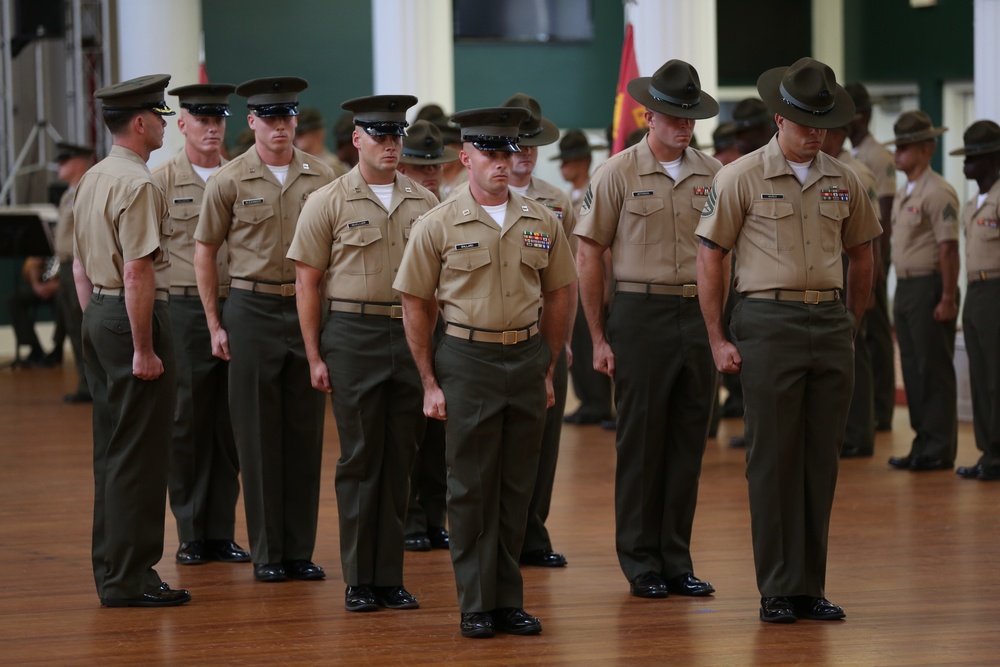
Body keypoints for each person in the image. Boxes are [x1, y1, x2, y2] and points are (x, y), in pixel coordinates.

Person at [696, 57, 880, 623]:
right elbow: (710, 258)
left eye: (823, 124)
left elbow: (862, 254)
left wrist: (850, 321)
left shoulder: (845, 179)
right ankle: (777, 587)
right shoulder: (739, 177)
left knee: (820, 460)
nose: (816, 134)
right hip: (767, 322)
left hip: (828, 322)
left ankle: (810, 586)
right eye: (805, 124)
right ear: (780, 119)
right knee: (773, 459)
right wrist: (718, 337)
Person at [394, 106, 576, 639]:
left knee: (517, 486)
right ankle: (477, 602)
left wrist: (546, 364)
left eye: (510, 151)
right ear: (466, 157)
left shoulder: (541, 218)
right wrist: (428, 380)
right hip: (467, 359)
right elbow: (415, 303)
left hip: (524, 357)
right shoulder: (438, 223)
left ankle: (508, 600)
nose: (504, 161)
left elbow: (558, 292)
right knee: (471, 487)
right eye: (491, 153)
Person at [575, 59, 719, 601]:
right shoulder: (616, 172)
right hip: (639, 312)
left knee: (687, 440)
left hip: (698, 317)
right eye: (674, 117)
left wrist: (720, 328)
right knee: (640, 443)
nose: (684, 127)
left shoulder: (714, 174)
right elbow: (589, 254)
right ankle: (640, 562)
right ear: (649, 115)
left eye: (691, 117)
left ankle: (676, 558)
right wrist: (599, 335)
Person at [289, 94, 437, 612]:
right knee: (360, 460)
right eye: (379, 135)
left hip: (411, 336)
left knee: (400, 461)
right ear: (356, 140)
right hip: (352, 336)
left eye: (397, 135)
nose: (391, 144)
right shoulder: (326, 201)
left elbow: (438, 286)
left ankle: (388, 576)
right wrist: (314, 354)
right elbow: (307, 284)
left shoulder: (425, 202)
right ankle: (359, 579)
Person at [195, 76, 336, 583]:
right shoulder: (228, 180)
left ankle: (299, 550)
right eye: (269, 118)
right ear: (252, 121)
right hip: (251, 310)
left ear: (296, 120)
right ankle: (269, 553)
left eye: (288, 117)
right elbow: (206, 252)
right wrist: (215, 322)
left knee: (304, 433)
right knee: (255, 435)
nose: (280, 127)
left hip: (305, 311)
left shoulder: (324, 177)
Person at [72, 73, 189, 607]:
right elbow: (139, 272)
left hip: (99, 311)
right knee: (139, 455)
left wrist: (98, 317)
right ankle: (132, 578)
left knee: (113, 452)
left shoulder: (93, 177)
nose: (164, 124)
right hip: (130, 317)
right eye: (160, 116)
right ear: (141, 123)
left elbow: (78, 265)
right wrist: (141, 347)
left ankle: (113, 572)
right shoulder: (139, 183)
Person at [152, 83, 250, 567]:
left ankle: (220, 531)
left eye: (219, 120)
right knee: (188, 421)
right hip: (186, 309)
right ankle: (192, 531)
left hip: (239, 303)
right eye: (202, 120)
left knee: (228, 424)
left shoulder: (239, 178)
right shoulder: (162, 181)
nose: (212, 129)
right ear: (181, 124)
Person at [501, 92, 575, 569]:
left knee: (545, 441)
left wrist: (562, 340)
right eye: (517, 143)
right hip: (493, 335)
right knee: (502, 442)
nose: (525, 152)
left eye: (533, 143)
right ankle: (501, 533)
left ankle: (534, 533)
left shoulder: (556, 200)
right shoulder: (470, 199)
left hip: (544, 336)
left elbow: (562, 281)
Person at [395, 118, 459, 553]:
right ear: (403, 168)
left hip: (447, 327)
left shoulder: (452, 209)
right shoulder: (398, 209)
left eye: (435, 166)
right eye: (421, 167)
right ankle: (412, 517)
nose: (430, 175)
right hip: (406, 325)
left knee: (441, 433)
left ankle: (435, 516)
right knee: (408, 430)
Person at [884, 111, 960, 472]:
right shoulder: (905, 193)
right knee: (913, 369)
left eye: (905, 147)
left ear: (927, 149)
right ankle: (923, 442)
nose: (898, 154)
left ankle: (939, 447)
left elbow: (948, 249)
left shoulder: (938, 191)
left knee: (933, 370)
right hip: (907, 286)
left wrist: (947, 297)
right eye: (896, 147)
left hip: (929, 285)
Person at [819, 124, 880, 458]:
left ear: (838, 134)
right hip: (833, 267)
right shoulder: (820, 170)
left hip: (851, 266)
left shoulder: (854, 175)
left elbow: (871, 236)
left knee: (855, 351)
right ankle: (849, 432)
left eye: (824, 130)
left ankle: (860, 432)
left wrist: (873, 282)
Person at [552, 129, 615, 428]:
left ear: (583, 161)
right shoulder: (569, 197)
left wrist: (604, 289)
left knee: (590, 343)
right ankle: (588, 400)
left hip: (591, 281)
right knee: (576, 342)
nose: (563, 167)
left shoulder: (593, 190)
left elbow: (603, 248)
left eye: (569, 160)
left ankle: (598, 402)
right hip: (573, 281)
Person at [845, 82, 898, 432]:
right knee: (866, 333)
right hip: (865, 251)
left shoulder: (876, 156)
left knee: (877, 335)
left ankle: (881, 409)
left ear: (860, 116)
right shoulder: (854, 154)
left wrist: (879, 265)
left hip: (874, 253)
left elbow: (886, 217)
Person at [951, 120, 1000, 481]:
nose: (967, 163)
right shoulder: (973, 203)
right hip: (976, 291)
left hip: (997, 289)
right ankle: (989, 450)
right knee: (982, 375)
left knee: (996, 376)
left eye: (974, 156)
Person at [52, 142, 95, 399]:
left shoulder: (86, 190)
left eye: (64, 161)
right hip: (67, 266)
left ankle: (90, 384)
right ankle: (85, 383)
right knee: (72, 326)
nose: (59, 166)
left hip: (82, 266)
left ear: (79, 162)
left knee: (83, 327)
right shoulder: (68, 193)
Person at [6, 256, 60, 366]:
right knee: (13, 300)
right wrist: (36, 285)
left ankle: (58, 348)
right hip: (43, 282)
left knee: (64, 301)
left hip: (64, 286)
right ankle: (34, 347)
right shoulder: (43, 241)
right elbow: (31, 264)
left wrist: (57, 286)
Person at [294, 107, 350, 177]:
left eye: (301, 133)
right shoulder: (296, 163)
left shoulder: (332, 165)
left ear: (317, 133)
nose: (296, 137)